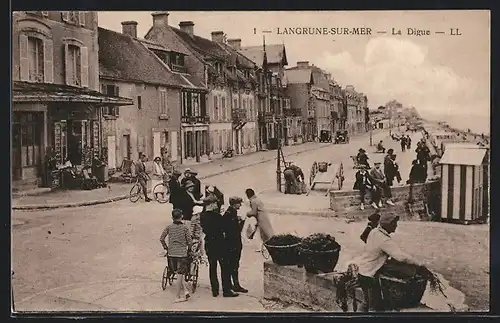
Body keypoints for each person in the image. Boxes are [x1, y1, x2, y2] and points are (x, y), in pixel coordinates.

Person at [355, 213, 425, 312]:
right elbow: (401, 257)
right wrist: (419, 263)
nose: (396, 225)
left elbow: (370, 243)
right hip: (370, 276)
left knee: (366, 302)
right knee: (373, 307)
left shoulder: (374, 231)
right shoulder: (384, 240)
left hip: (362, 272)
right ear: (388, 224)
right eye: (394, 223)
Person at [200, 196, 238, 298]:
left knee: (212, 267)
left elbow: (204, 230)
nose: (217, 205)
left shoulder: (202, 216)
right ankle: (226, 290)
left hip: (209, 243)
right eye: (215, 203)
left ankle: (215, 290)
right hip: (220, 244)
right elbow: (224, 227)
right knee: (224, 267)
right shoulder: (217, 216)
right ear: (211, 204)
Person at [159, 209, 193, 303]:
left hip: (171, 253)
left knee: (176, 272)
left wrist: (166, 248)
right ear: (181, 217)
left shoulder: (169, 227)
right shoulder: (185, 228)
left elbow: (161, 238)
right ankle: (177, 296)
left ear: (172, 217)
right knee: (180, 275)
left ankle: (185, 291)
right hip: (182, 254)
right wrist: (189, 250)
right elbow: (190, 242)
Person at [222, 196, 248, 293]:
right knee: (232, 265)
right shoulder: (230, 215)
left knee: (234, 265)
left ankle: (235, 285)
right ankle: (233, 286)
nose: (240, 205)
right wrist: (241, 223)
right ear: (234, 204)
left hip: (232, 243)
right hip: (232, 244)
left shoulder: (231, 213)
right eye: (239, 203)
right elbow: (234, 231)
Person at [188, 206, 204, 276]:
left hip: (197, 237)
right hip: (195, 238)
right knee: (194, 253)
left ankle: (201, 256)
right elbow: (191, 230)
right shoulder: (195, 220)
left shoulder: (197, 219)